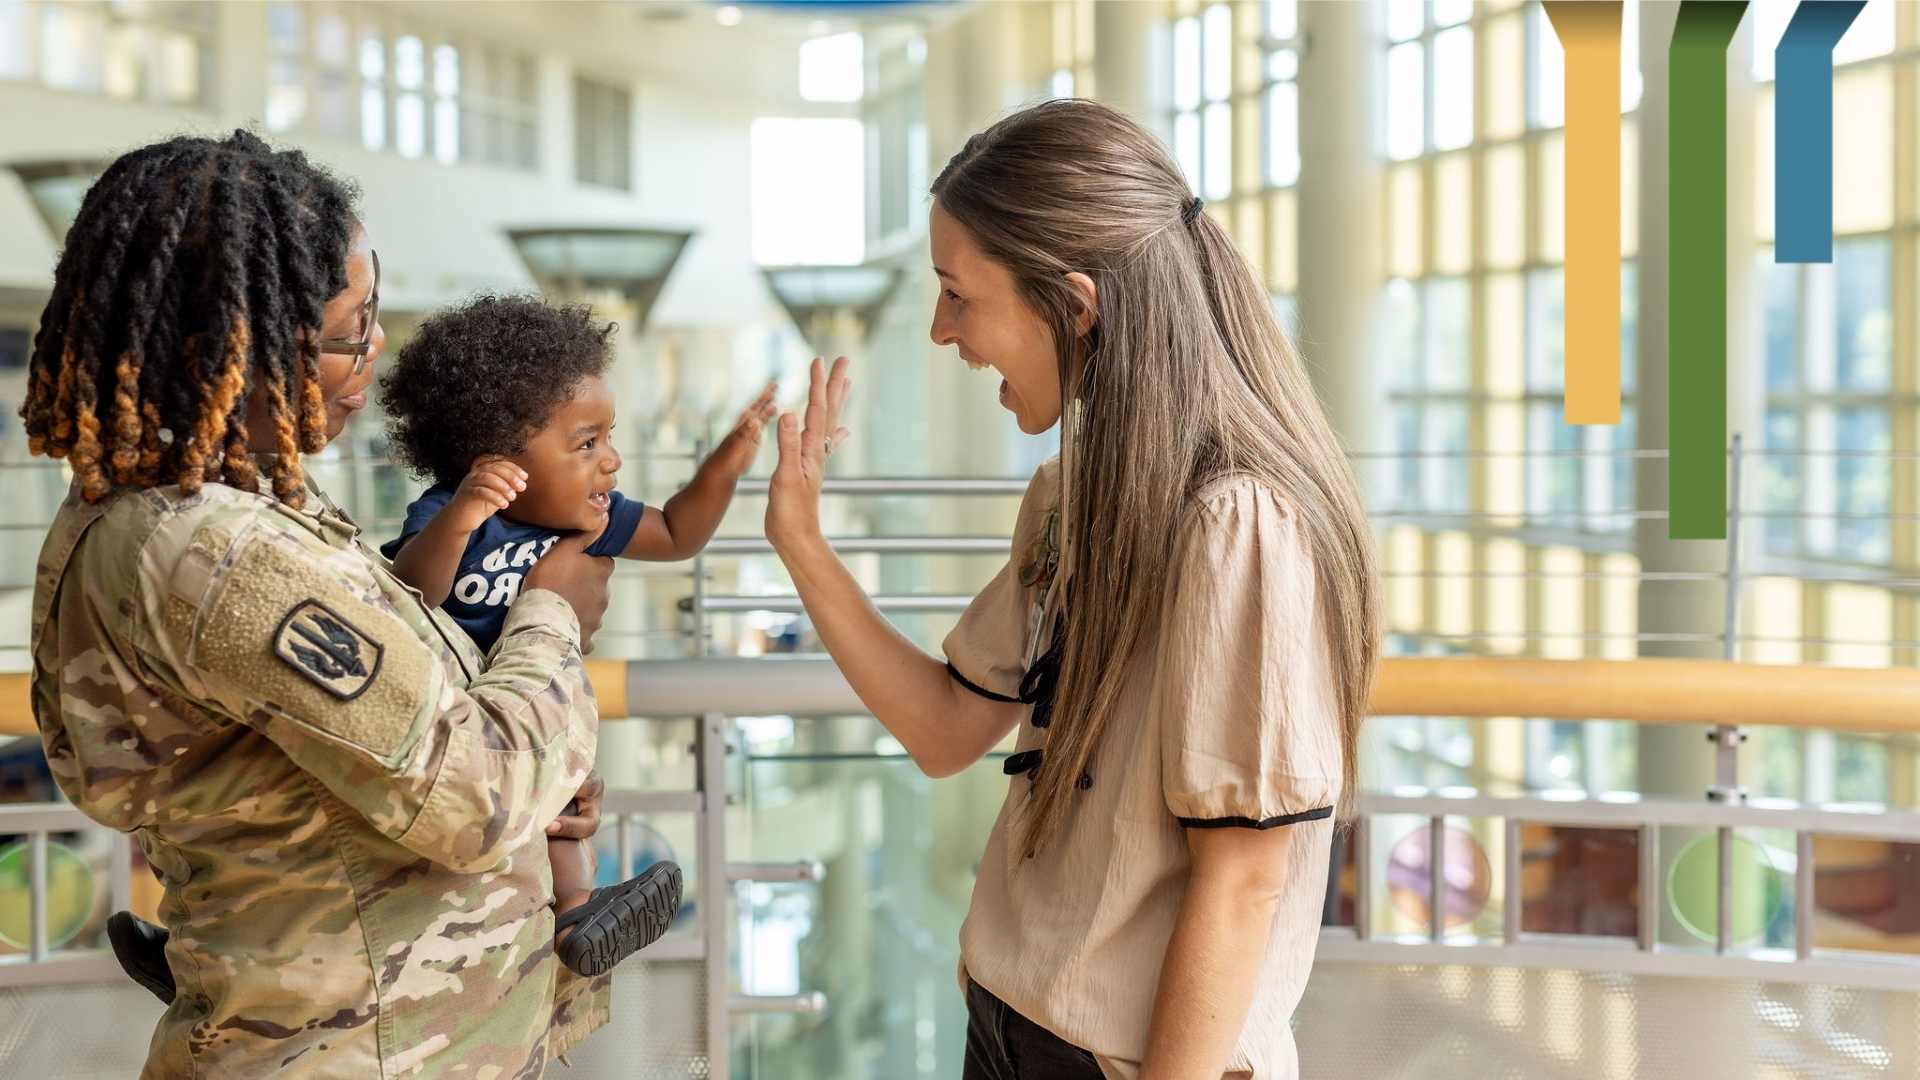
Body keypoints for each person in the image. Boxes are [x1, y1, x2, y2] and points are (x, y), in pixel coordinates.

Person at [763, 100, 1380, 1079]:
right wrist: (801, 542)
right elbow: (945, 728)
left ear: (1075, 305)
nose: (939, 330)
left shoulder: (1239, 528)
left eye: (958, 295)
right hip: (1006, 1028)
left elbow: (1246, 882)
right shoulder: (1073, 499)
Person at [23, 131, 613, 1077]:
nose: (375, 353)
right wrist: (551, 617)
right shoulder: (214, 551)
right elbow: (477, 796)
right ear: (228, 344)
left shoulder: (224, 509)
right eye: (348, 333)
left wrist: (541, 757)